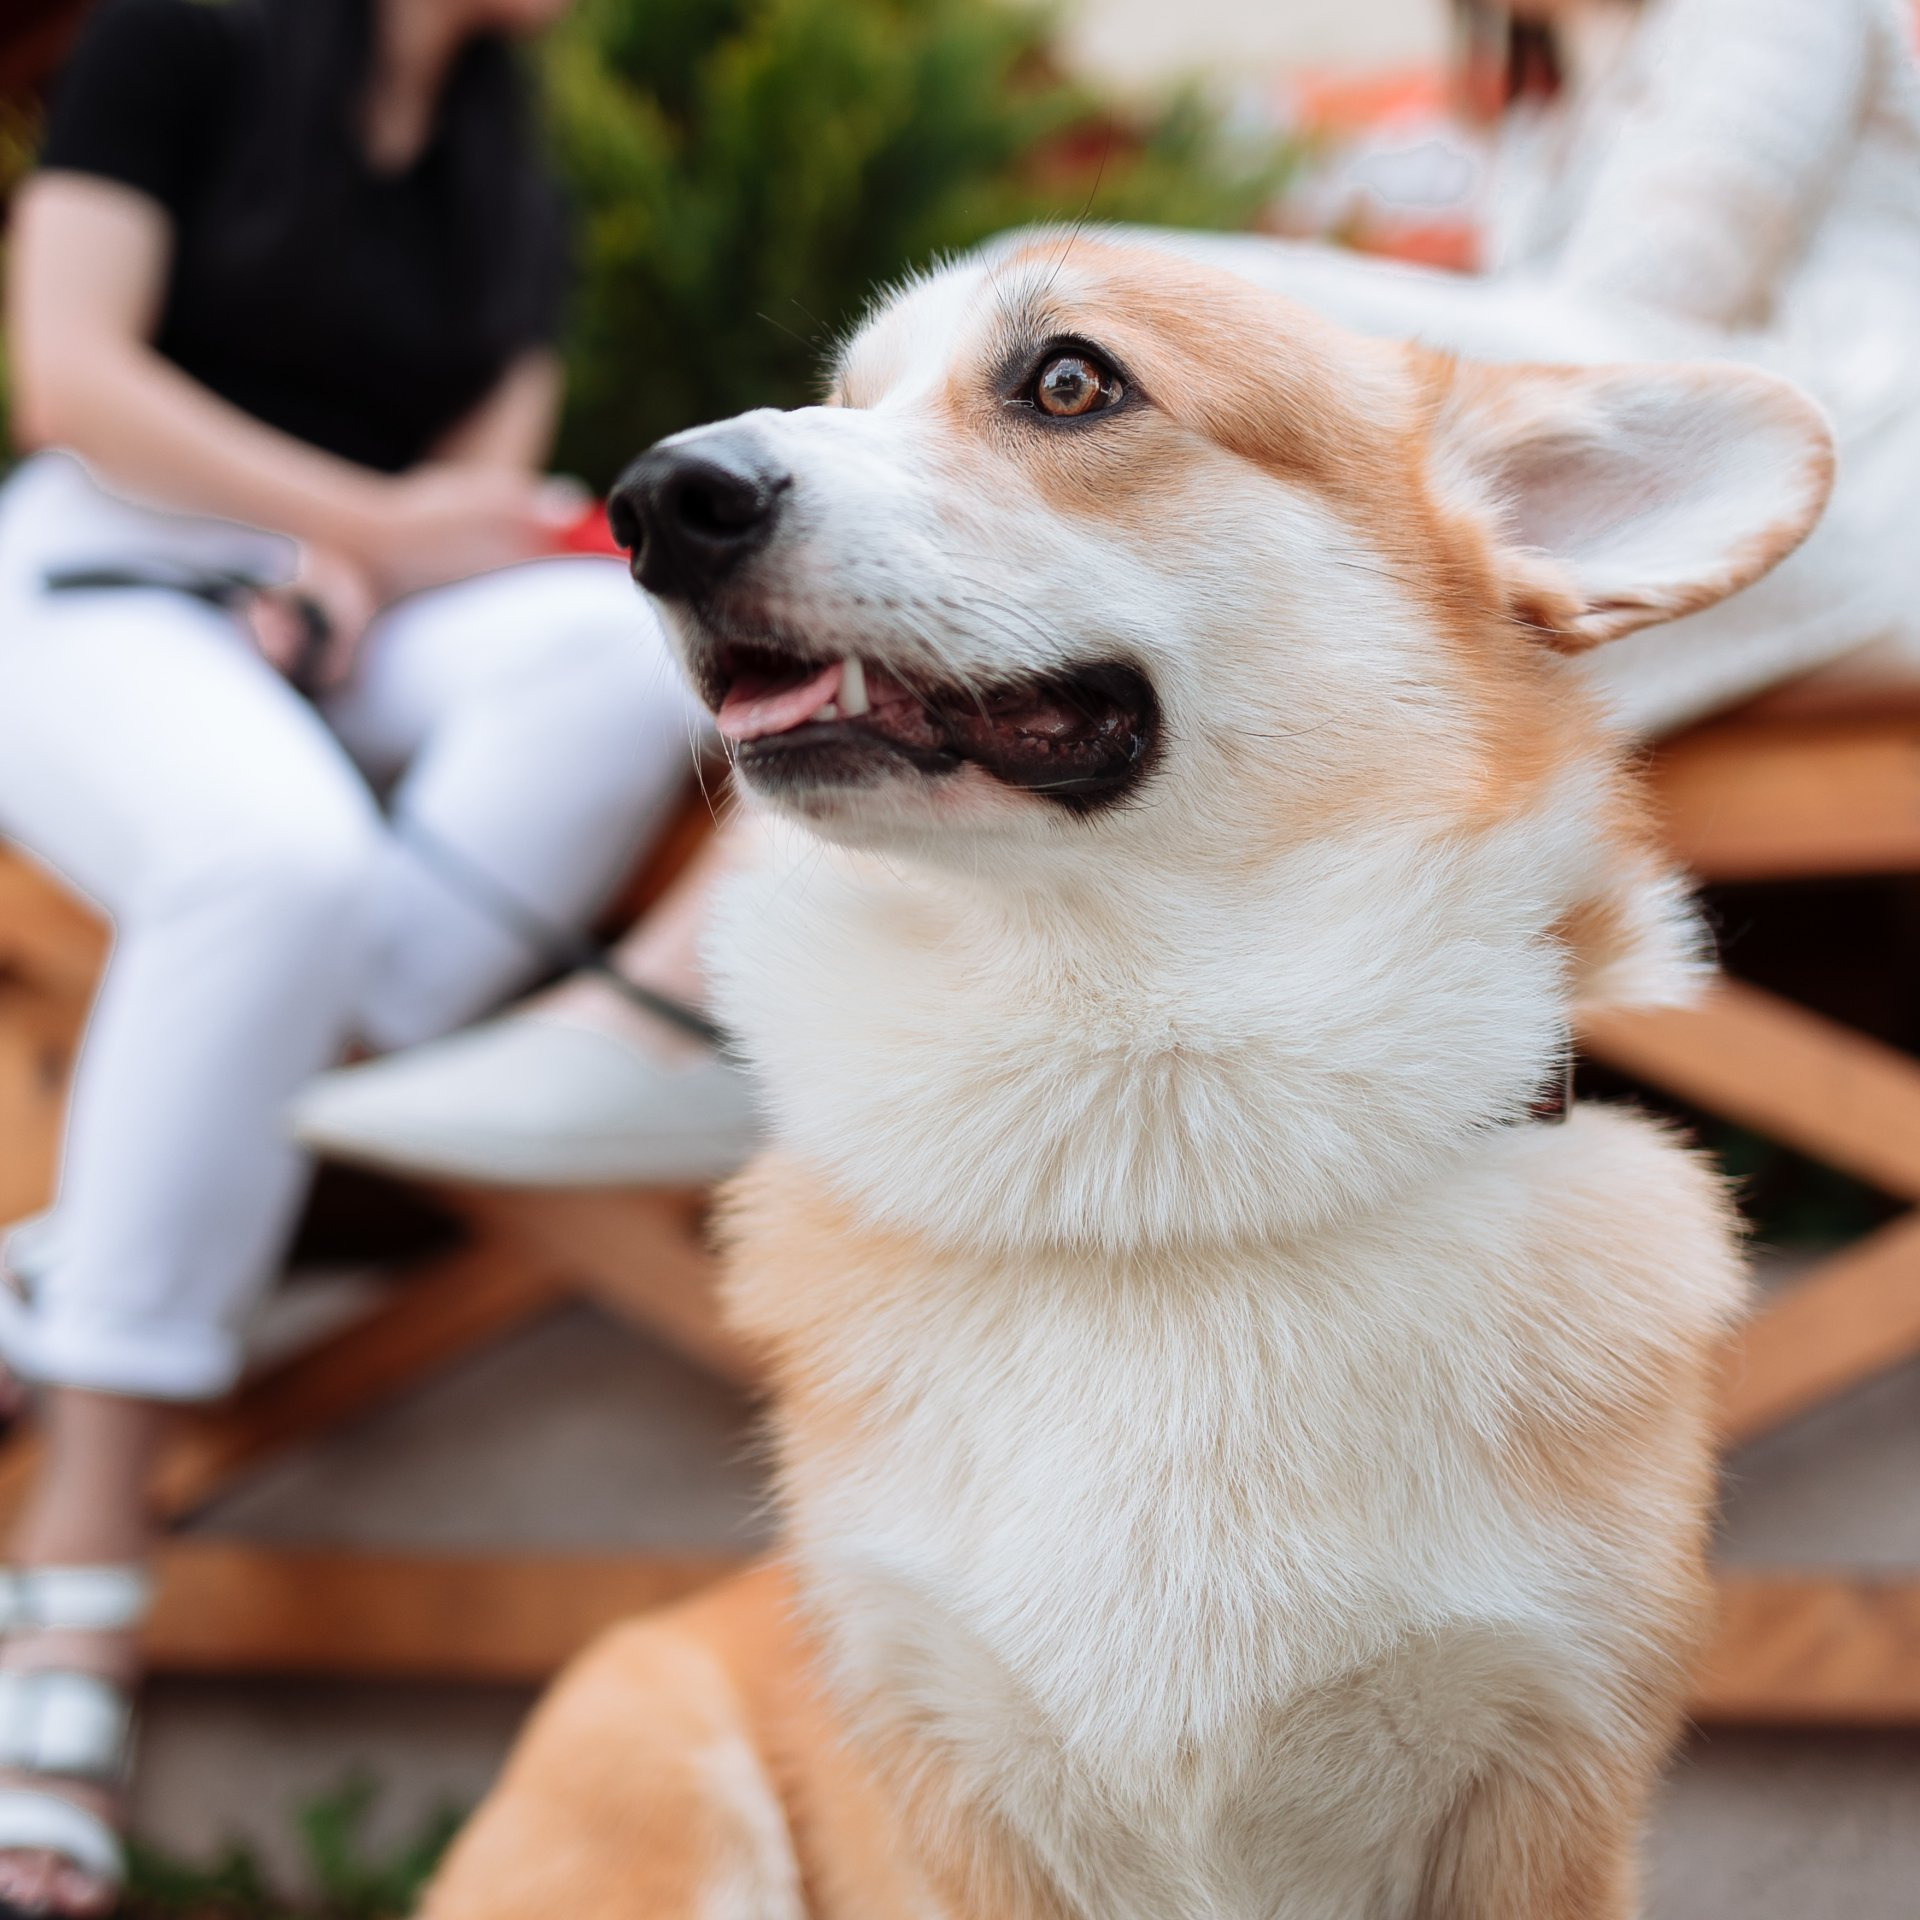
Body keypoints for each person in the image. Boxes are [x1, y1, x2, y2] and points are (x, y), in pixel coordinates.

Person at [290, 0, 1920, 1198]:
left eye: (1055, 392)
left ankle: (692, 1007)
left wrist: (1217, 329)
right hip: (1633, 489)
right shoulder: (1545, 86)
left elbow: (1614, 337)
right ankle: (722, 989)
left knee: (1074, 301)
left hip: (1853, 471)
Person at [0, 0, 740, 1907]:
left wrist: (366, 565)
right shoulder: (176, 43)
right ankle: (77, 1589)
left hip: (360, 603)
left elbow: (482, 473)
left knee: (615, 650)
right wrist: (348, 523)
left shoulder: (507, 145)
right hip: (97, 574)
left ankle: (77, 1269)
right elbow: (65, 377)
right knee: (273, 864)